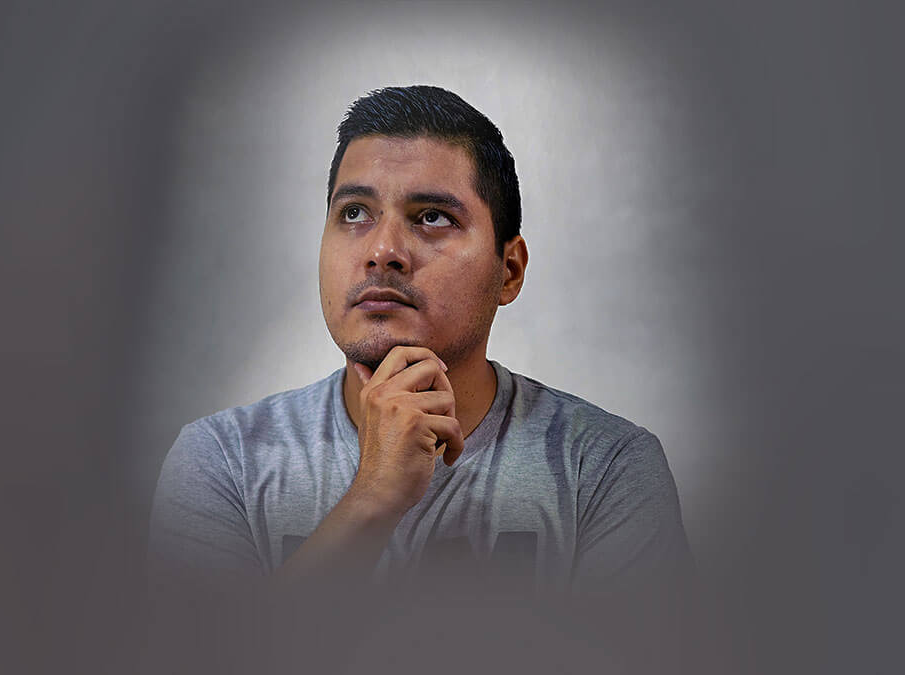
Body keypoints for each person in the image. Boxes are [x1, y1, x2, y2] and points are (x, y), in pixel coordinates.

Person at [145, 85, 693, 673]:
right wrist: (370, 500)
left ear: (509, 271)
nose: (382, 250)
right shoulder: (221, 461)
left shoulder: (604, 468)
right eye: (354, 213)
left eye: (432, 217)